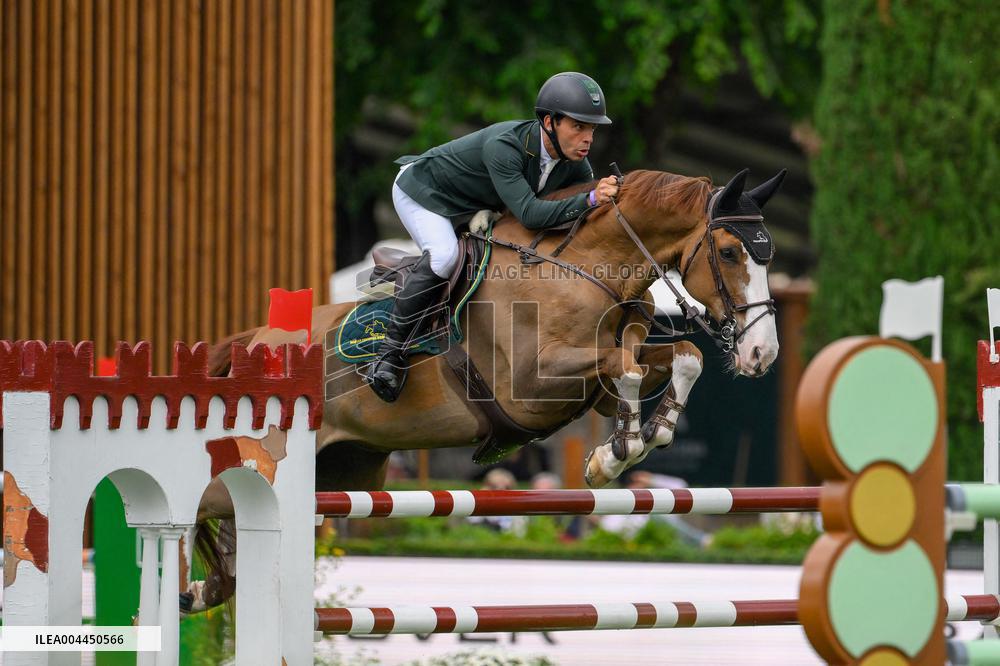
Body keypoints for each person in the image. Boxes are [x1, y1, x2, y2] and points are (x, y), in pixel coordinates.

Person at [365, 72, 621, 402]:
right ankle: (389, 356)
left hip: (472, 205)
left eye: (592, 129)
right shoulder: (506, 146)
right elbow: (529, 214)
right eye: (578, 127)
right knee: (445, 257)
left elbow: (580, 219)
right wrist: (589, 200)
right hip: (425, 193)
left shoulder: (574, 164)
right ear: (548, 122)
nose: (588, 138)